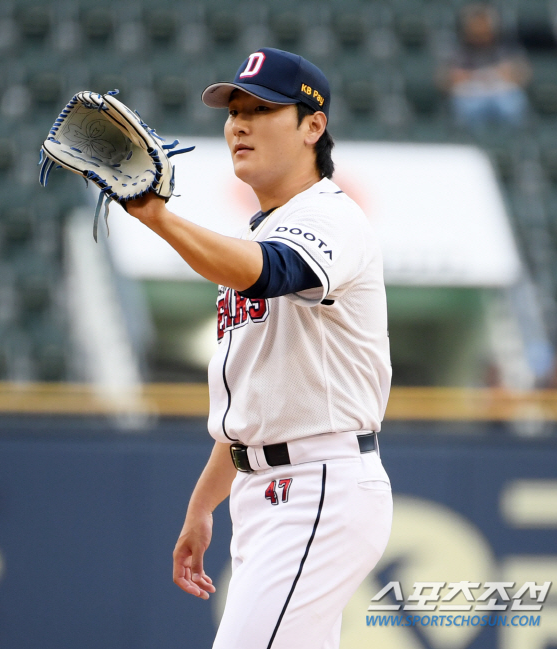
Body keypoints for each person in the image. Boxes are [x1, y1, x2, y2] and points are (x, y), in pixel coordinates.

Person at [126, 48, 393, 649]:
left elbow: (272, 273)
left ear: (313, 126)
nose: (239, 123)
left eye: (262, 109)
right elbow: (258, 400)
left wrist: (157, 218)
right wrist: (202, 507)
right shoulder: (261, 234)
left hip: (318, 481)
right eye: (234, 110)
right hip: (268, 488)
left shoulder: (331, 217)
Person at [443, 5, 531, 130]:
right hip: (470, 95)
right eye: (476, 29)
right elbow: (446, 80)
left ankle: (513, 143)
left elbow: (522, 74)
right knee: (464, 108)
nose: (480, 33)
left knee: (513, 104)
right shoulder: (458, 50)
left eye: (484, 29)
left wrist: (508, 73)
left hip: (501, 92)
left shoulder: (506, 47)